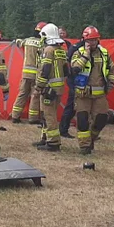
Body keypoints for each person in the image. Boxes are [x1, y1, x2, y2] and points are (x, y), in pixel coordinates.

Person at [70, 26, 114, 155]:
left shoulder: (104, 53)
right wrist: (86, 55)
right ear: (84, 40)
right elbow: (75, 69)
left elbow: (111, 69)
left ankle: (91, 139)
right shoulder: (78, 52)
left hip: (100, 94)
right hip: (83, 93)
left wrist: (111, 84)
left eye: (95, 40)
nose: (92, 42)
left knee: (101, 119)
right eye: (89, 40)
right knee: (83, 120)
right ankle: (84, 147)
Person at [34, 23, 69, 151]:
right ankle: (45, 138)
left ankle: (53, 142)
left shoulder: (48, 50)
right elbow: (66, 70)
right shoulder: (61, 50)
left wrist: (39, 86)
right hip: (58, 88)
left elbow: (45, 70)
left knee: (49, 116)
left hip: (49, 88)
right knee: (47, 114)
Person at [11, 21, 46, 124]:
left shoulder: (27, 41)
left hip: (26, 73)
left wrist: (16, 39)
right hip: (37, 74)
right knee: (35, 95)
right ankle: (33, 118)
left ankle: (15, 116)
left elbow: (18, 42)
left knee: (22, 94)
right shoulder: (43, 44)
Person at [59, 27, 81, 138]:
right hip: (74, 80)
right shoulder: (76, 48)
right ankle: (63, 129)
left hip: (86, 83)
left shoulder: (69, 44)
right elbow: (68, 64)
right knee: (71, 106)